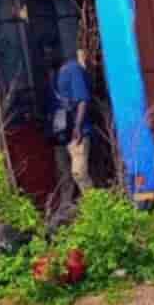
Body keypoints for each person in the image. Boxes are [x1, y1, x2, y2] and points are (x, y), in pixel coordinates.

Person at [49, 50, 94, 206]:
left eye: (49, 52)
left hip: (76, 132)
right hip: (61, 133)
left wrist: (78, 126)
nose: (47, 57)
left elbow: (83, 100)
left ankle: (95, 207)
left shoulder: (72, 69)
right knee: (64, 174)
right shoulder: (54, 74)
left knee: (79, 172)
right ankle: (67, 206)